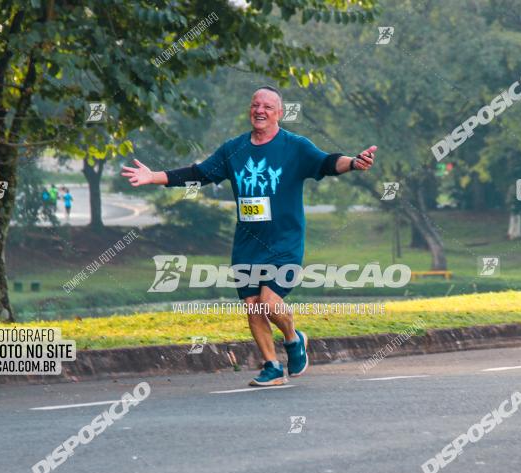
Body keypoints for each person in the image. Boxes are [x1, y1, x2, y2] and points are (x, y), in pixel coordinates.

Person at [122, 86, 376, 386]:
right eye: (256, 105)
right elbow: (200, 173)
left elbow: (326, 162)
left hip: (284, 241)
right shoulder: (234, 149)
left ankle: (294, 340)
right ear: (249, 110)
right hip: (247, 244)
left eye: (268, 107)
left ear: (279, 113)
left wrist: (353, 162)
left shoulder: (295, 146)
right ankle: (271, 366)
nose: (260, 111)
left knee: (269, 302)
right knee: (253, 305)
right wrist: (155, 177)